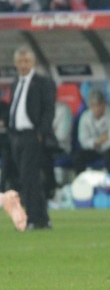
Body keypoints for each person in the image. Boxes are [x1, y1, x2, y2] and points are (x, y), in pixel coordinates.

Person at [7, 46, 56, 230]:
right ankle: (38, 218)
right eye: (20, 61)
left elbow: (48, 110)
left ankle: (37, 219)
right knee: (23, 179)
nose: (23, 65)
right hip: (16, 136)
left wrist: (40, 134)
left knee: (31, 178)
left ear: (33, 62)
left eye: (26, 61)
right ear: (15, 63)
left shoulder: (42, 82)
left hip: (32, 136)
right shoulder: (15, 83)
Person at [74, 88, 110, 179]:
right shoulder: (85, 117)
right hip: (96, 147)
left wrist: (98, 144)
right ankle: (80, 183)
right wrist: (97, 142)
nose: (96, 108)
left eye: (98, 105)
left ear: (104, 104)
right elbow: (83, 140)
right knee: (79, 156)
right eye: (93, 106)